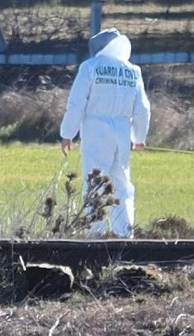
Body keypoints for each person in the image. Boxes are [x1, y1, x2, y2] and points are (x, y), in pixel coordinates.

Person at [59, 28, 151, 238]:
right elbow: (143, 109)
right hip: (122, 132)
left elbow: (76, 104)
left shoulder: (90, 67)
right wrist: (139, 137)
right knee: (121, 183)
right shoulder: (132, 70)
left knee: (94, 181)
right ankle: (125, 233)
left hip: (95, 130)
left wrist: (67, 133)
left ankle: (95, 233)